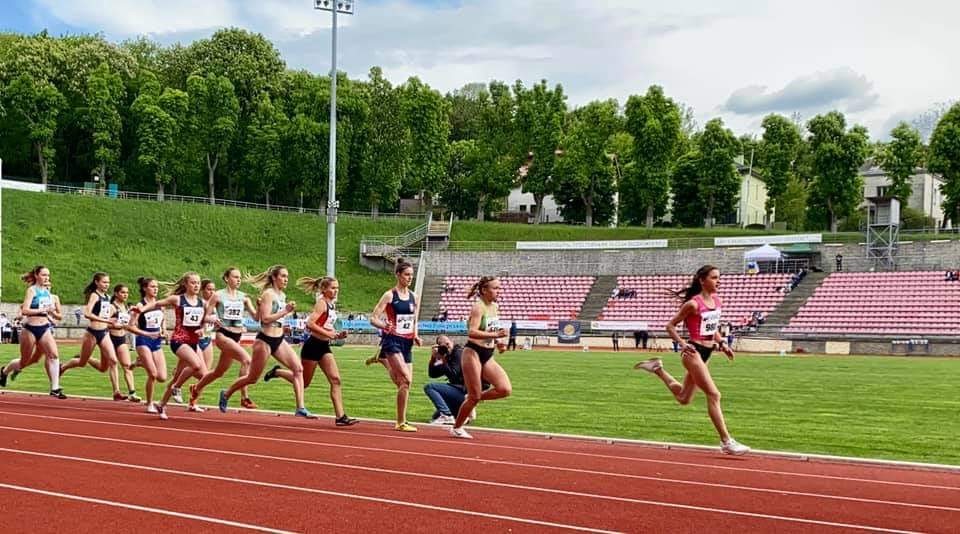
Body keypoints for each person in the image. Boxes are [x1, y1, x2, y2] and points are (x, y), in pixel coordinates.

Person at [634, 265, 750, 456]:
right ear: (702, 280)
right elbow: (670, 326)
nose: (718, 281)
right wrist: (681, 343)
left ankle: (657, 369)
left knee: (684, 398)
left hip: (707, 352)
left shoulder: (717, 301)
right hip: (693, 353)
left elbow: (712, 328)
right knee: (714, 395)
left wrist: (722, 344)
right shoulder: (693, 304)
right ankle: (726, 441)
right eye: (714, 278)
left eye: (719, 277)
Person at [218, 265, 312, 418]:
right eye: (282, 276)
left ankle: (300, 407)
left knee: (298, 369)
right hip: (265, 341)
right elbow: (265, 319)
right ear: (274, 277)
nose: (286, 279)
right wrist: (285, 311)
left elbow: (276, 318)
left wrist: (283, 323)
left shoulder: (282, 295)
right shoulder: (268, 294)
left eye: (287, 276)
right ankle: (226, 393)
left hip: (279, 339)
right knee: (252, 378)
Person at [265, 275, 358, 426]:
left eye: (337, 288)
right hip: (313, 346)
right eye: (333, 288)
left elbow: (326, 325)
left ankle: (340, 417)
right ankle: (277, 372)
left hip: (324, 346)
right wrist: (329, 335)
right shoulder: (321, 304)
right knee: (305, 383)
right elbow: (310, 324)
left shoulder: (331, 305)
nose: (336, 291)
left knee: (336, 379)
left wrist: (337, 334)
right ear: (324, 289)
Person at [132, 272, 213, 419]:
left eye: (198, 283)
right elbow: (157, 303)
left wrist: (203, 329)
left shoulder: (203, 303)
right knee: (195, 365)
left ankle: (162, 404)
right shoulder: (178, 299)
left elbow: (203, 322)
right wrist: (141, 310)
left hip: (193, 343)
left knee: (202, 375)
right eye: (193, 283)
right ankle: (177, 388)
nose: (196, 285)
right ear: (186, 285)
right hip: (179, 341)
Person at [449, 276, 512, 439]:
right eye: (496, 288)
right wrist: (495, 334)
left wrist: (499, 341)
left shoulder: (495, 307)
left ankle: (471, 398)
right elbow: (472, 332)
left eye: (499, 288)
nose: (499, 291)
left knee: (504, 389)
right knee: (475, 396)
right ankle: (457, 427)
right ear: (484, 290)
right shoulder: (478, 307)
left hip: (488, 354)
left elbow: (492, 329)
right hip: (473, 352)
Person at [191, 268, 259, 409]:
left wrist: (259, 306)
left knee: (218, 372)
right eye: (235, 277)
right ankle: (244, 398)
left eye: (240, 277)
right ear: (227, 279)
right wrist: (211, 321)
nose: (238, 280)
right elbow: (205, 316)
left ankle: (196, 388)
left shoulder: (244, 297)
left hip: (236, 336)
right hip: (223, 334)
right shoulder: (218, 296)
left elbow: (256, 317)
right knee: (247, 360)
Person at [368, 259, 422, 432]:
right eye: (406, 275)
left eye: (412, 275)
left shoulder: (415, 296)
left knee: (403, 383)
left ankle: (383, 360)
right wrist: (384, 325)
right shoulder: (390, 295)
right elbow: (373, 318)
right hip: (392, 340)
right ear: (398, 275)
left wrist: (416, 335)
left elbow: (415, 320)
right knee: (406, 379)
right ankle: (400, 422)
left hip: (407, 343)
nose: (409, 278)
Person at [0, 266, 65, 398]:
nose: (46, 278)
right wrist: (40, 311)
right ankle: (4, 372)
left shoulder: (48, 293)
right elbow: (25, 310)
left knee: (53, 355)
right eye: (44, 275)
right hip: (30, 328)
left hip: (44, 328)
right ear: (36, 275)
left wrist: (50, 314)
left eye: (48, 275)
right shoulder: (32, 291)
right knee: (24, 361)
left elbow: (52, 312)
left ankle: (55, 388)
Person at [61, 273, 127, 401]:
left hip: (104, 333)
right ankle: (63, 367)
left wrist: (113, 321)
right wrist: (107, 321)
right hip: (92, 333)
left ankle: (116, 392)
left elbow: (105, 315)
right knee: (82, 363)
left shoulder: (107, 297)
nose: (106, 285)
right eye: (104, 282)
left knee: (112, 361)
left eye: (108, 283)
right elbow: (87, 313)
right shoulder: (94, 295)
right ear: (97, 282)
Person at [127, 277, 168, 413]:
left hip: (156, 341)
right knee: (153, 374)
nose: (155, 289)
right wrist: (146, 334)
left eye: (156, 286)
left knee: (162, 377)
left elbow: (162, 320)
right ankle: (149, 403)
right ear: (145, 288)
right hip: (143, 341)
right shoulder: (140, 306)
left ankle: (140, 362)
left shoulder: (160, 304)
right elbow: (130, 327)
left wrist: (164, 330)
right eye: (152, 286)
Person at [424, 335, 483, 425]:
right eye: (443, 345)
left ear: (452, 342)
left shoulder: (458, 353)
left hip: (464, 391)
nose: (447, 346)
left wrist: (442, 360)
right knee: (436, 416)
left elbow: (454, 374)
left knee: (429, 387)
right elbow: (433, 374)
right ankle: (465, 412)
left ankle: (447, 415)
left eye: (448, 344)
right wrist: (434, 358)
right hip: (459, 391)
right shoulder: (447, 356)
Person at [106, 284, 140, 402]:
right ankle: (116, 391)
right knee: (110, 364)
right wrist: (113, 324)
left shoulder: (125, 307)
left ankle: (132, 392)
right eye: (122, 292)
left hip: (121, 339)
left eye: (127, 293)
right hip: (110, 338)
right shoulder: (111, 307)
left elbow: (128, 324)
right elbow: (103, 322)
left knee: (127, 365)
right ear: (116, 293)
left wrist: (134, 314)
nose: (125, 295)